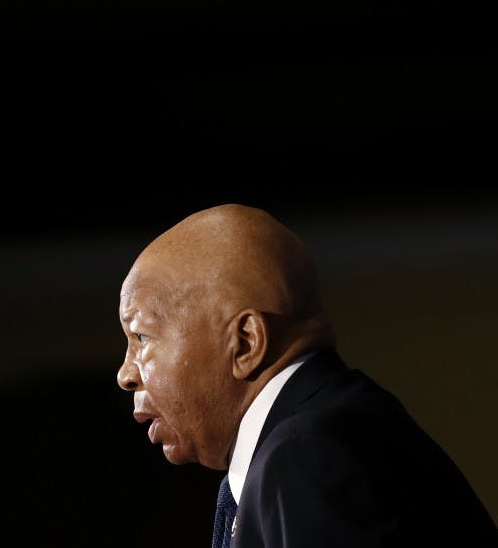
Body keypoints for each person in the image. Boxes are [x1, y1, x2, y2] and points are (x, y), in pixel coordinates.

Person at [116, 203, 498, 547]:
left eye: (142, 337)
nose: (125, 375)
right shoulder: (325, 433)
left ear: (246, 343)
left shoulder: (308, 455)